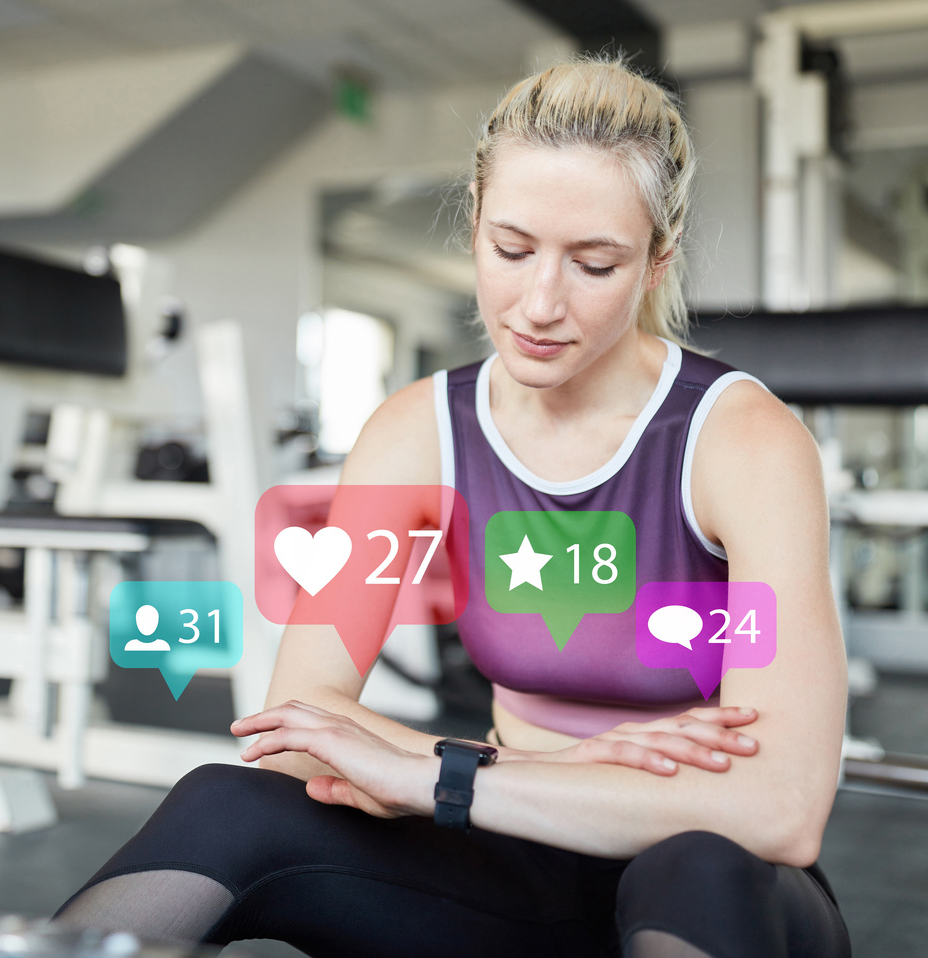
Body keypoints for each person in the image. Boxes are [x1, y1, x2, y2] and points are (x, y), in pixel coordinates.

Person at [56, 56, 851, 958]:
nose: (539, 304)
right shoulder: (415, 432)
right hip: (512, 866)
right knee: (224, 798)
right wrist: (518, 771)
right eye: (510, 250)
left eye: (594, 264)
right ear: (473, 225)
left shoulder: (740, 441)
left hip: (720, 893)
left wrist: (443, 775)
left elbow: (777, 810)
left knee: (698, 859)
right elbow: (297, 728)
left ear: (655, 264)